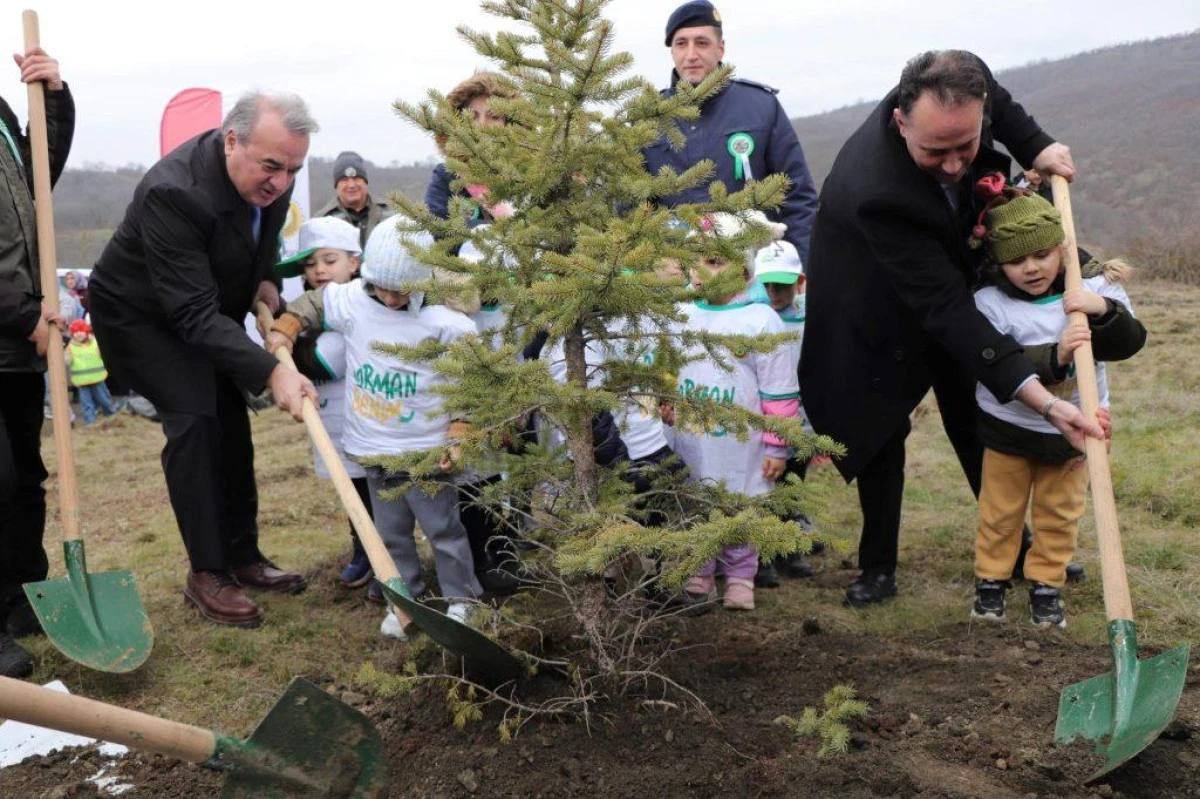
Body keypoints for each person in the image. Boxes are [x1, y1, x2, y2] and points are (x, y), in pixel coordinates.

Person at [801, 50, 1102, 608]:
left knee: (975, 414)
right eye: (935, 151)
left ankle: (1010, 547)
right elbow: (943, 308)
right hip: (868, 302)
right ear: (901, 120)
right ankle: (877, 566)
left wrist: (1035, 145)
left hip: (945, 275)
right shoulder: (878, 192)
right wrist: (1044, 401)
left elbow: (1003, 107)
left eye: (965, 146)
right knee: (878, 431)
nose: (955, 164)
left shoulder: (969, 86)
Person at [88, 92, 318, 628]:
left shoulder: (271, 177)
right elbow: (190, 315)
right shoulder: (174, 192)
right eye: (271, 166)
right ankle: (207, 573)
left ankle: (243, 556)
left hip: (201, 307)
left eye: (292, 169)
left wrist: (264, 277)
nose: (281, 182)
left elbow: (258, 239)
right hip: (141, 317)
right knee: (195, 417)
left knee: (231, 421)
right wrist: (272, 370)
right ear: (231, 139)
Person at [266, 222, 483, 637]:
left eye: (400, 290)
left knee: (443, 531)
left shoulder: (446, 323)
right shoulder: (354, 300)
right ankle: (403, 599)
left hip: (426, 453)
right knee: (390, 535)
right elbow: (316, 302)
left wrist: (460, 429)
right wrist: (289, 326)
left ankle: (462, 600)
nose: (389, 297)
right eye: (381, 287)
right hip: (373, 450)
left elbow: (468, 381)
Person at [968, 178, 1144, 628]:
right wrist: (1057, 355)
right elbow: (996, 362)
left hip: (1077, 430)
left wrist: (1101, 309)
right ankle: (992, 582)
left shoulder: (1093, 289)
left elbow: (1130, 343)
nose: (1031, 268)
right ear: (998, 263)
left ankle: (1046, 585)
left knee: (1059, 513)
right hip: (1009, 426)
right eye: (1016, 260)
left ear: (1061, 249)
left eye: (1041, 255)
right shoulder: (990, 304)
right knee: (1000, 510)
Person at [674, 214, 800, 611]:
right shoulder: (682, 315)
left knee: (739, 503)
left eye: (714, 262)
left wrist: (777, 446)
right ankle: (700, 570)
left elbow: (778, 390)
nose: (700, 271)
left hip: (742, 441)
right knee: (694, 499)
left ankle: (741, 573)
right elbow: (666, 367)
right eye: (697, 260)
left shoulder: (760, 321)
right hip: (691, 434)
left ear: (744, 271)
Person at [0, 44, 73, 678]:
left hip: (14, 350)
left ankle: (25, 595)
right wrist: (24, 315)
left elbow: (36, 185)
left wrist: (52, 98)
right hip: (12, 325)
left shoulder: (0, 115)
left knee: (25, 478)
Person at [643, 1, 819, 262]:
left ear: (720, 48)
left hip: (754, 273)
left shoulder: (761, 107)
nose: (691, 54)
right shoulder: (649, 119)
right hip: (676, 283)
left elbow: (798, 198)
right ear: (672, 52)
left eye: (701, 43)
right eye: (681, 44)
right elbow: (631, 208)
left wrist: (796, 270)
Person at [272, 216, 376, 591]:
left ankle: (383, 556)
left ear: (354, 262)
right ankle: (361, 548)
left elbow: (321, 362)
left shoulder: (361, 308)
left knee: (373, 493)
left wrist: (290, 336)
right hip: (330, 422)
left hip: (367, 421)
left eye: (329, 261)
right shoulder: (307, 314)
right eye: (311, 263)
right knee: (350, 490)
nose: (319, 270)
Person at [424, 72, 517, 231]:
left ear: (509, 123)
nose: (482, 125)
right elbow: (436, 228)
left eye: (493, 116)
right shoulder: (447, 176)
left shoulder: (528, 175)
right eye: (473, 116)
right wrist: (484, 234)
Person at [316, 151, 392, 249]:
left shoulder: (389, 215)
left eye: (356, 178)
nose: (351, 185)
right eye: (344, 180)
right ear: (336, 186)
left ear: (365, 182)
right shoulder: (322, 221)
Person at [63, 319, 120, 425]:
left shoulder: (96, 343)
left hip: (97, 379)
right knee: (86, 404)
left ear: (86, 332)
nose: (78, 335)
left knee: (104, 400)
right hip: (82, 382)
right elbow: (65, 360)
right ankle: (90, 423)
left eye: (81, 332)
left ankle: (112, 417)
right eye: (75, 333)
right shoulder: (71, 347)